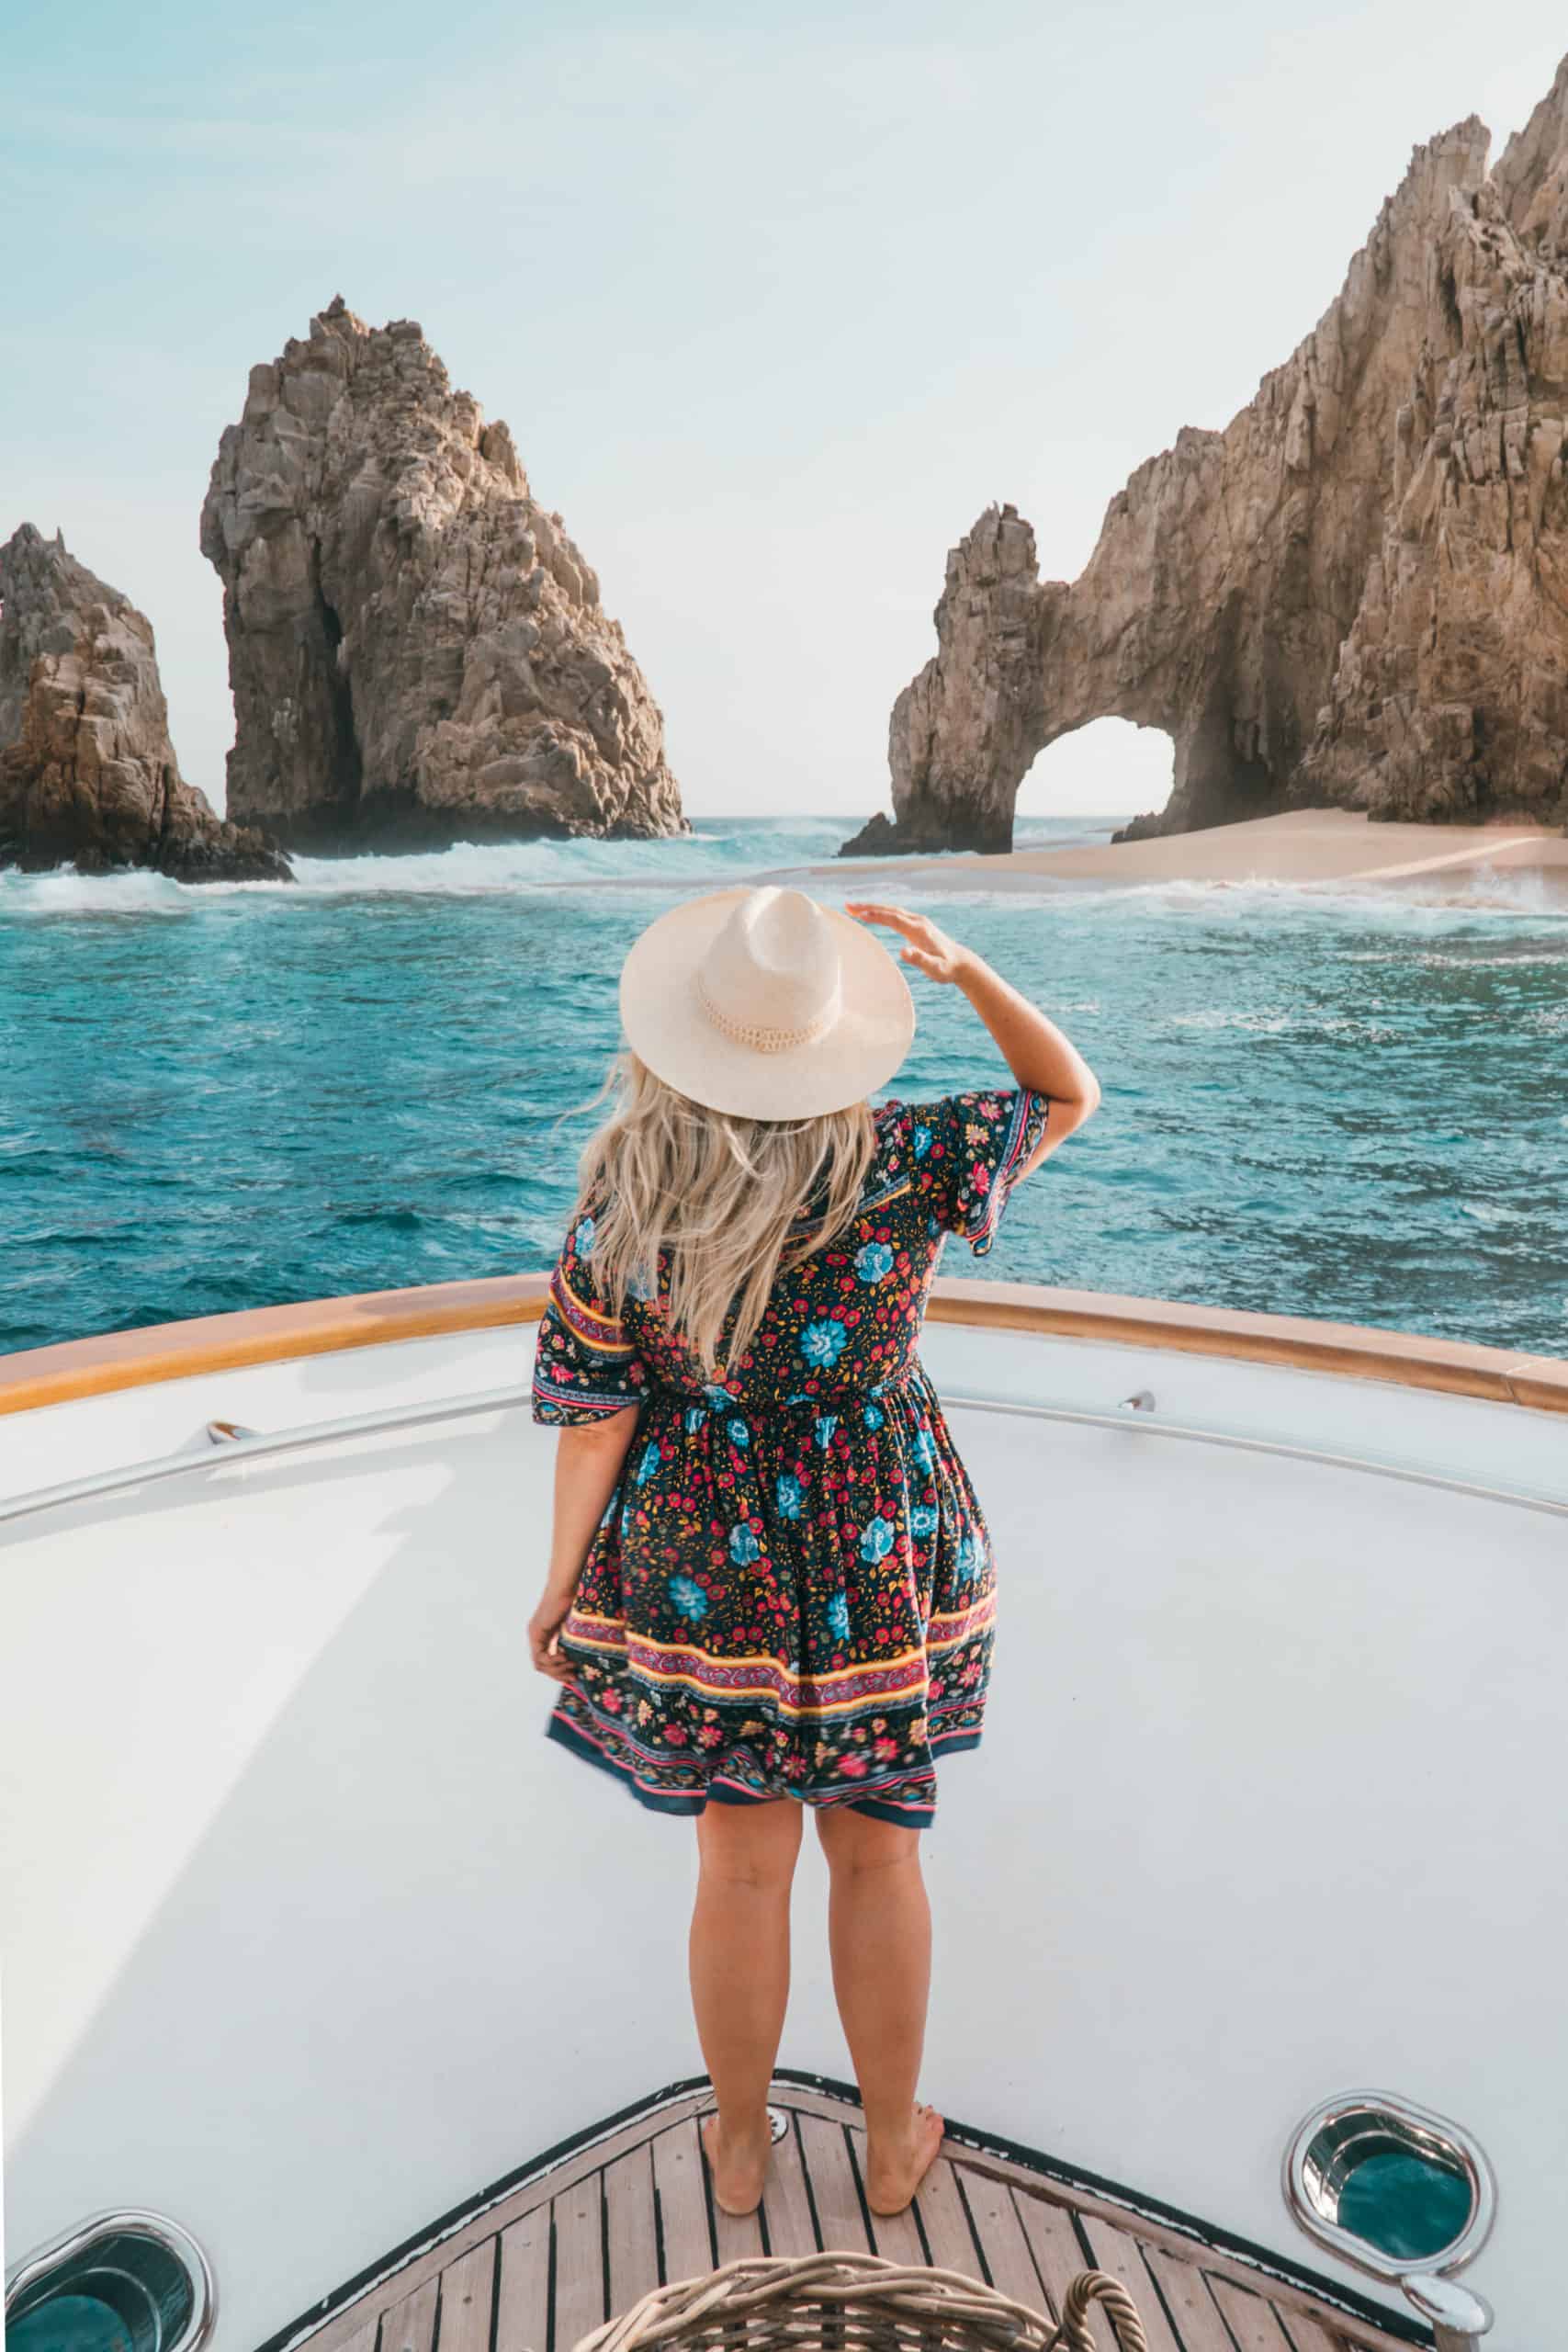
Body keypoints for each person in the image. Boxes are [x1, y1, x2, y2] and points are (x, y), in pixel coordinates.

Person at [526, 883, 1100, 2222]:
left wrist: (560, 1582)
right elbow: (1067, 1094)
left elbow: (593, 1412)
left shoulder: (630, 1198)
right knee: (881, 1857)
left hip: (701, 1562)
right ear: (837, 1039)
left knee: (737, 1867)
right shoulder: (905, 1158)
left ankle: (737, 2147)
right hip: (876, 1546)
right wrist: (967, 970)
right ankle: (893, 2149)